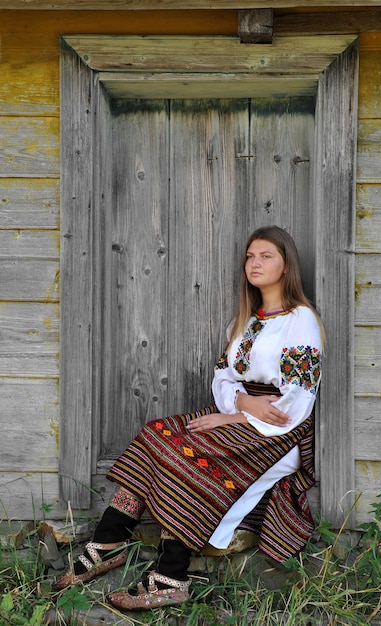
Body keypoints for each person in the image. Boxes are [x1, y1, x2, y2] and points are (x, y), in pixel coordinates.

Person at [52, 225, 324, 612]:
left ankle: (171, 577)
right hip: (240, 411)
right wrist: (239, 407)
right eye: (250, 256)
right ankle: (107, 543)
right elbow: (223, 379)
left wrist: (239, 417)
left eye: (266, 256)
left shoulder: (301, 320)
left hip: (279, 429)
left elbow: (298, 397)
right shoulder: (244, 321)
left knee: (188, 458)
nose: (255, 263)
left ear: (286, 265)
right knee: (157, 435)